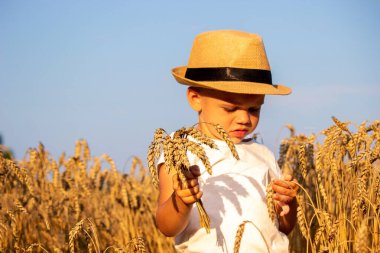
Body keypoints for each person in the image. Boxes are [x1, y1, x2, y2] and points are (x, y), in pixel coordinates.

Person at [155, 30, 298, 253]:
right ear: (195, 99)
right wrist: (182, 201)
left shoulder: (263, 154)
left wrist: (288, 206)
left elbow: (282, 229)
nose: (244, 118)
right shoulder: (180, 149)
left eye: (254, 109)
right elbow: (166, 226)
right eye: (230, 108)